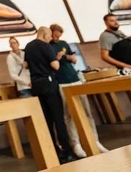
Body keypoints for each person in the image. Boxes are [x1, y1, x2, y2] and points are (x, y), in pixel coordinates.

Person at [49, 24, 108, 157]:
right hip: (62, 82)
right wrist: (58, 57)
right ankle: (76, 144)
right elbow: (51, 65)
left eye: (59, 35)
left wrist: (71, 58)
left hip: (74, 78)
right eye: (55, 35)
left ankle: (95, 140)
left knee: (87, 112)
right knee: (68, 115)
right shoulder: (48, 46)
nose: (57, 38)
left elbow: (74, 60)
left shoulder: (64, 44)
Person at [24, 27, 78, 164]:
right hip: (49, 83)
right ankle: (68, 152)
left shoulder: (28, 46)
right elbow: (55, 66)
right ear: (44, 34)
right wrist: (57, 59)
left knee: (47, 120)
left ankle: (54, 152)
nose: (50, 38)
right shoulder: (45, 46)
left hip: (36, 85)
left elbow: (25, 65)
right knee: (58, 118)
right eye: (49, 35)